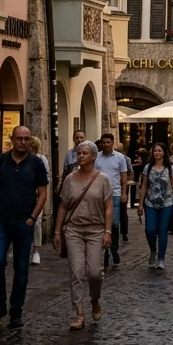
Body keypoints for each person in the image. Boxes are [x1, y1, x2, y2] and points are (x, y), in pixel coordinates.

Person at [0, 125, 49, 329]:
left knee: (22, 268)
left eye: (27, 139)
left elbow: (43, 193)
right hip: (0, 221)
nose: (23, 142)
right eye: (20, 138)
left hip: (24, 222)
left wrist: (33, 218)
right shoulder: (1, 161)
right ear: (12, 139)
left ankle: (16, 310)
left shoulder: (36, 163)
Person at [52, 140, 112, 329]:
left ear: (94, 156)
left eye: (85, 153)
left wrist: (108, 231)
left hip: (96, 229)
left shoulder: (102, 179)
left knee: (95, 273)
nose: (80, 156)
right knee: (76, 272)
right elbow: (62, 206)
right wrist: (57, 231)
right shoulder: (70, 179)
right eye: (78, 153)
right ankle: (79, 313)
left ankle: (95, 299)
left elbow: (108, 207)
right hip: (74, 230)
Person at [137, 141, 173, 268]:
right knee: (150, 229)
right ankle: (153, 250)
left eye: (159, 151)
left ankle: (161, 258)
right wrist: (140, 204)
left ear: (164, 153)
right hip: (150, 202)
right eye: (155, 151)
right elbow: (144, 185)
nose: (157, 153)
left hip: (166, 202)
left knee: (162, 231)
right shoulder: (148, 167)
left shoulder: (170, 168)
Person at [96, 133, 129, 271]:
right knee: (101, 223)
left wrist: (124, 193)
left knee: (114, 223)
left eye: (108, 142)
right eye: (104, 142)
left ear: (113, 143)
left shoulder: (120, 157)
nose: (106, 144)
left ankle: (114, 250)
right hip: (98, 194)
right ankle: (104, 255)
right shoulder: (96, 157)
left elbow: (123, 176)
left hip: (114, 193)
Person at [28, 137, 50, 264]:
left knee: (36, 223)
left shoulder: (41, 160)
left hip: (37, 196)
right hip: (23, 197)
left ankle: (36, 251)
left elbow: (46, 178)